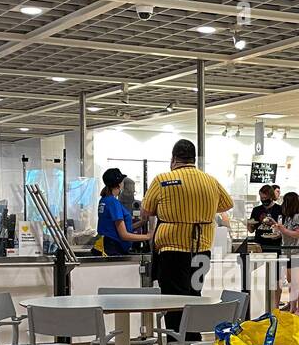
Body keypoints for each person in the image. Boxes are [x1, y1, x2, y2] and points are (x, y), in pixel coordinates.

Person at [142, 139, 233, 333]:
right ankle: (192, 342)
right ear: (194, 159)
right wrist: (201, 209)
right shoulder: (210, 180)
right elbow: (227, 204)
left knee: (174, 300)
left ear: (174, 158)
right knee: (194, 296)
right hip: (202, 250)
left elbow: (147, 209)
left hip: (172, 251)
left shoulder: (162, 180)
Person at [95, 167, 151, 255]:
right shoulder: (113, 203)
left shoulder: (104, 200)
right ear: (119, 184)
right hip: (113, 249)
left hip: (106, 245)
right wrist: (147, 236)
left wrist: (142, 222)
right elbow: (123, 235)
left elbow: (119, 228)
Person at [247, 185, 282, 249]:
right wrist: (248, 224)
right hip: (258, 245)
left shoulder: (280, 209)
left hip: (274, 245)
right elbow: (251, 230)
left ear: (271, 197)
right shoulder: (256, 210)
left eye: (265, 198)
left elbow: (283, 229)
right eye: (261, 198)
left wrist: (273, 223)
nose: (263, 200)